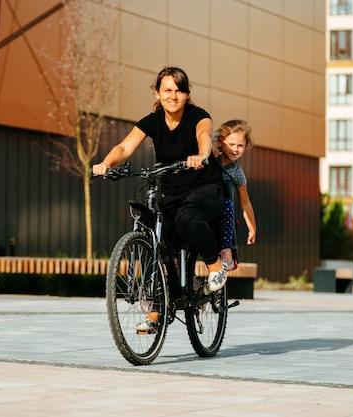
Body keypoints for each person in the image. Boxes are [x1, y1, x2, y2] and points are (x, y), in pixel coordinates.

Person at [92, 67, 227, 333]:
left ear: (187, 94)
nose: (173, 96)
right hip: (172, 192)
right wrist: (106, 163)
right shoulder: (152, 121)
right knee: (155, 238)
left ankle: (214, 266)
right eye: (167, 90)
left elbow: (204, 134)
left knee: (187, 218)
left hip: (205, 189)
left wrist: (201, 154)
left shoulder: (198, 116)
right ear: (157, 92)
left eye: (178, 90)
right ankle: (159, 308)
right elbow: (125, 147)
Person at [213, 119, 257, 270]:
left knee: (228, 205)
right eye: (231, 144)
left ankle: (226, 250)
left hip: (222, 213)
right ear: (220, 142)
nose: (235, 149)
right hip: (203, 205)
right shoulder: (209, 156)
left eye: (240, 146)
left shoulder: (237, 173)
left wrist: (252, 228)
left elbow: (245, 203)